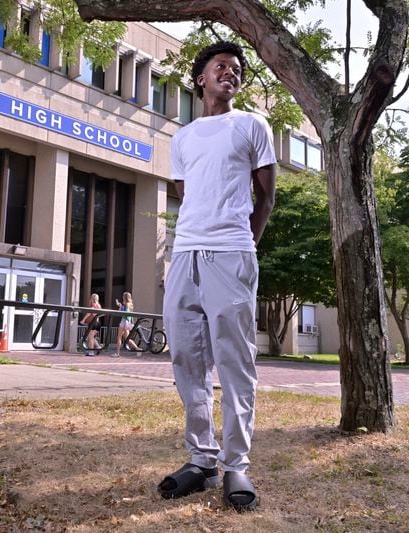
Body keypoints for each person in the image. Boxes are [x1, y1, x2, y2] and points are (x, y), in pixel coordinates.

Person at [158, 41, 277, 513]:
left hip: (231, 253)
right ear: (201, 78)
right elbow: (186, 192)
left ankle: (235, 463)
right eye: (221, 66)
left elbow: (265, 197)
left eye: (237, 69)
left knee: (234, 359)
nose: (231, 72)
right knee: (187, 356)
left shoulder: (252, 124)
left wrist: (242, 244)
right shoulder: (183, 137)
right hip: (184, 253)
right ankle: (201, 458)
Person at [112, 292, 139, 357]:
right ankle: (138, 349)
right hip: (128, 322)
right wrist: (121, 306)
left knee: (119, 337)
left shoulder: (126, 304)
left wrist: (120, 307)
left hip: (124, 321)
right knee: (127, 338)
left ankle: (117, 353)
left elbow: (124, 312)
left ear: (125, 297)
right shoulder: (130, 304)